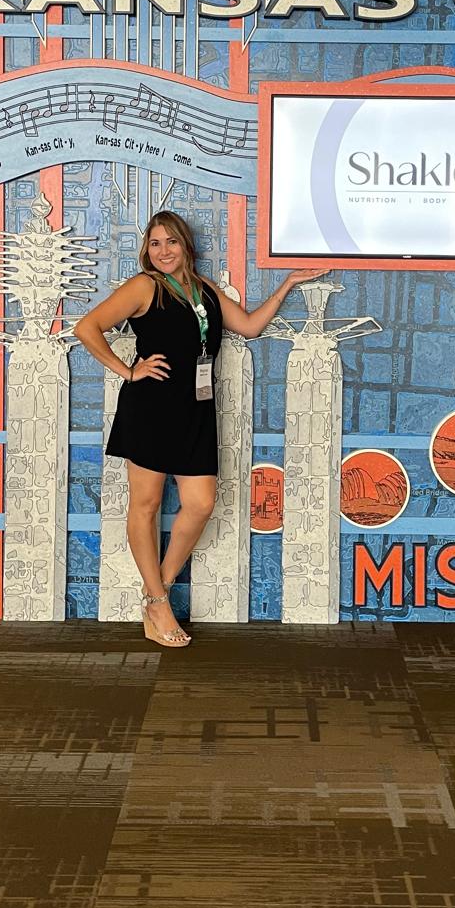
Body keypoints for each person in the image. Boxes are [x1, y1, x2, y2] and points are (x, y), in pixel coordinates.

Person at [74, 210, 325, 649]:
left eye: (171, 242)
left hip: (195, 410)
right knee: (146, 505)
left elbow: (248, 325)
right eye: (155, 243)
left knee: (201, 502)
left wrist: (287, 285)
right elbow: (86, 327)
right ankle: (157, 601)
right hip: (150, 408)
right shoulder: (144, 286)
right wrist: (127, 371)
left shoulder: (203, 289)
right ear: (146, 250)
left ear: (185, 246)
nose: (164, 251)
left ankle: (157, 593)